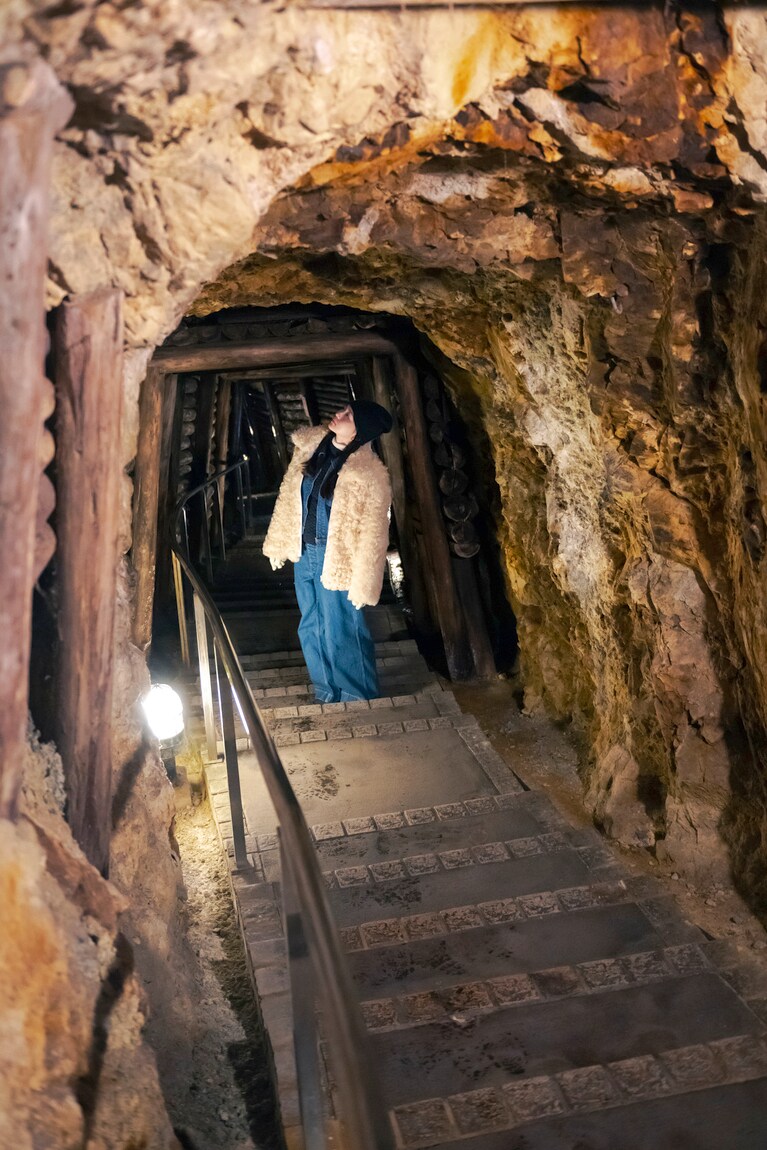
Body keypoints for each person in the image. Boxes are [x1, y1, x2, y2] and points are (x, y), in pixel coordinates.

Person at [262, 400, 393, 703]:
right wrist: (280, 542)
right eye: (343, 410)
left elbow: (375, 532)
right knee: (310, 625)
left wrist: (366, 581)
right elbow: (289, 498)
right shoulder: (311, 451)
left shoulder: (369, 473)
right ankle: (326, 691)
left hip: (336, 556)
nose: (339, 415)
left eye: (349, 415)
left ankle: (355, 696)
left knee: (342, 628)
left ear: (361, 430)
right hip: (305, 552)